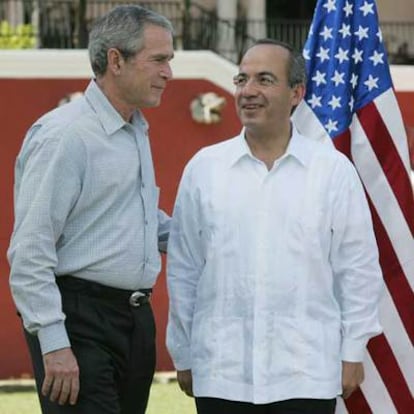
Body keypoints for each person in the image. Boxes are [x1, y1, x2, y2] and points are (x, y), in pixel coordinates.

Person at [166, 39, 383, 414]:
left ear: (296, 93)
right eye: (241, 79)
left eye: (264, 80)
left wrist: (352, 351)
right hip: (222, 372)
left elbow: (358, 269)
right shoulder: (204, 169)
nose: (248, 91)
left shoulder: (331, 172)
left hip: (305, 373)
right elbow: (185, 270)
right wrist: (183, 351)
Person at [7, 5, 174, 414]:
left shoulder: (134, 129)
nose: (169, 73)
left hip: (133, 321)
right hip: (78, 321)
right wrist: (54, 343)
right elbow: (29, 251)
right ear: (115, 60)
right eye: (159, 60)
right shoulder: (65, 135)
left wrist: (225, 231)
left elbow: (140, 221)